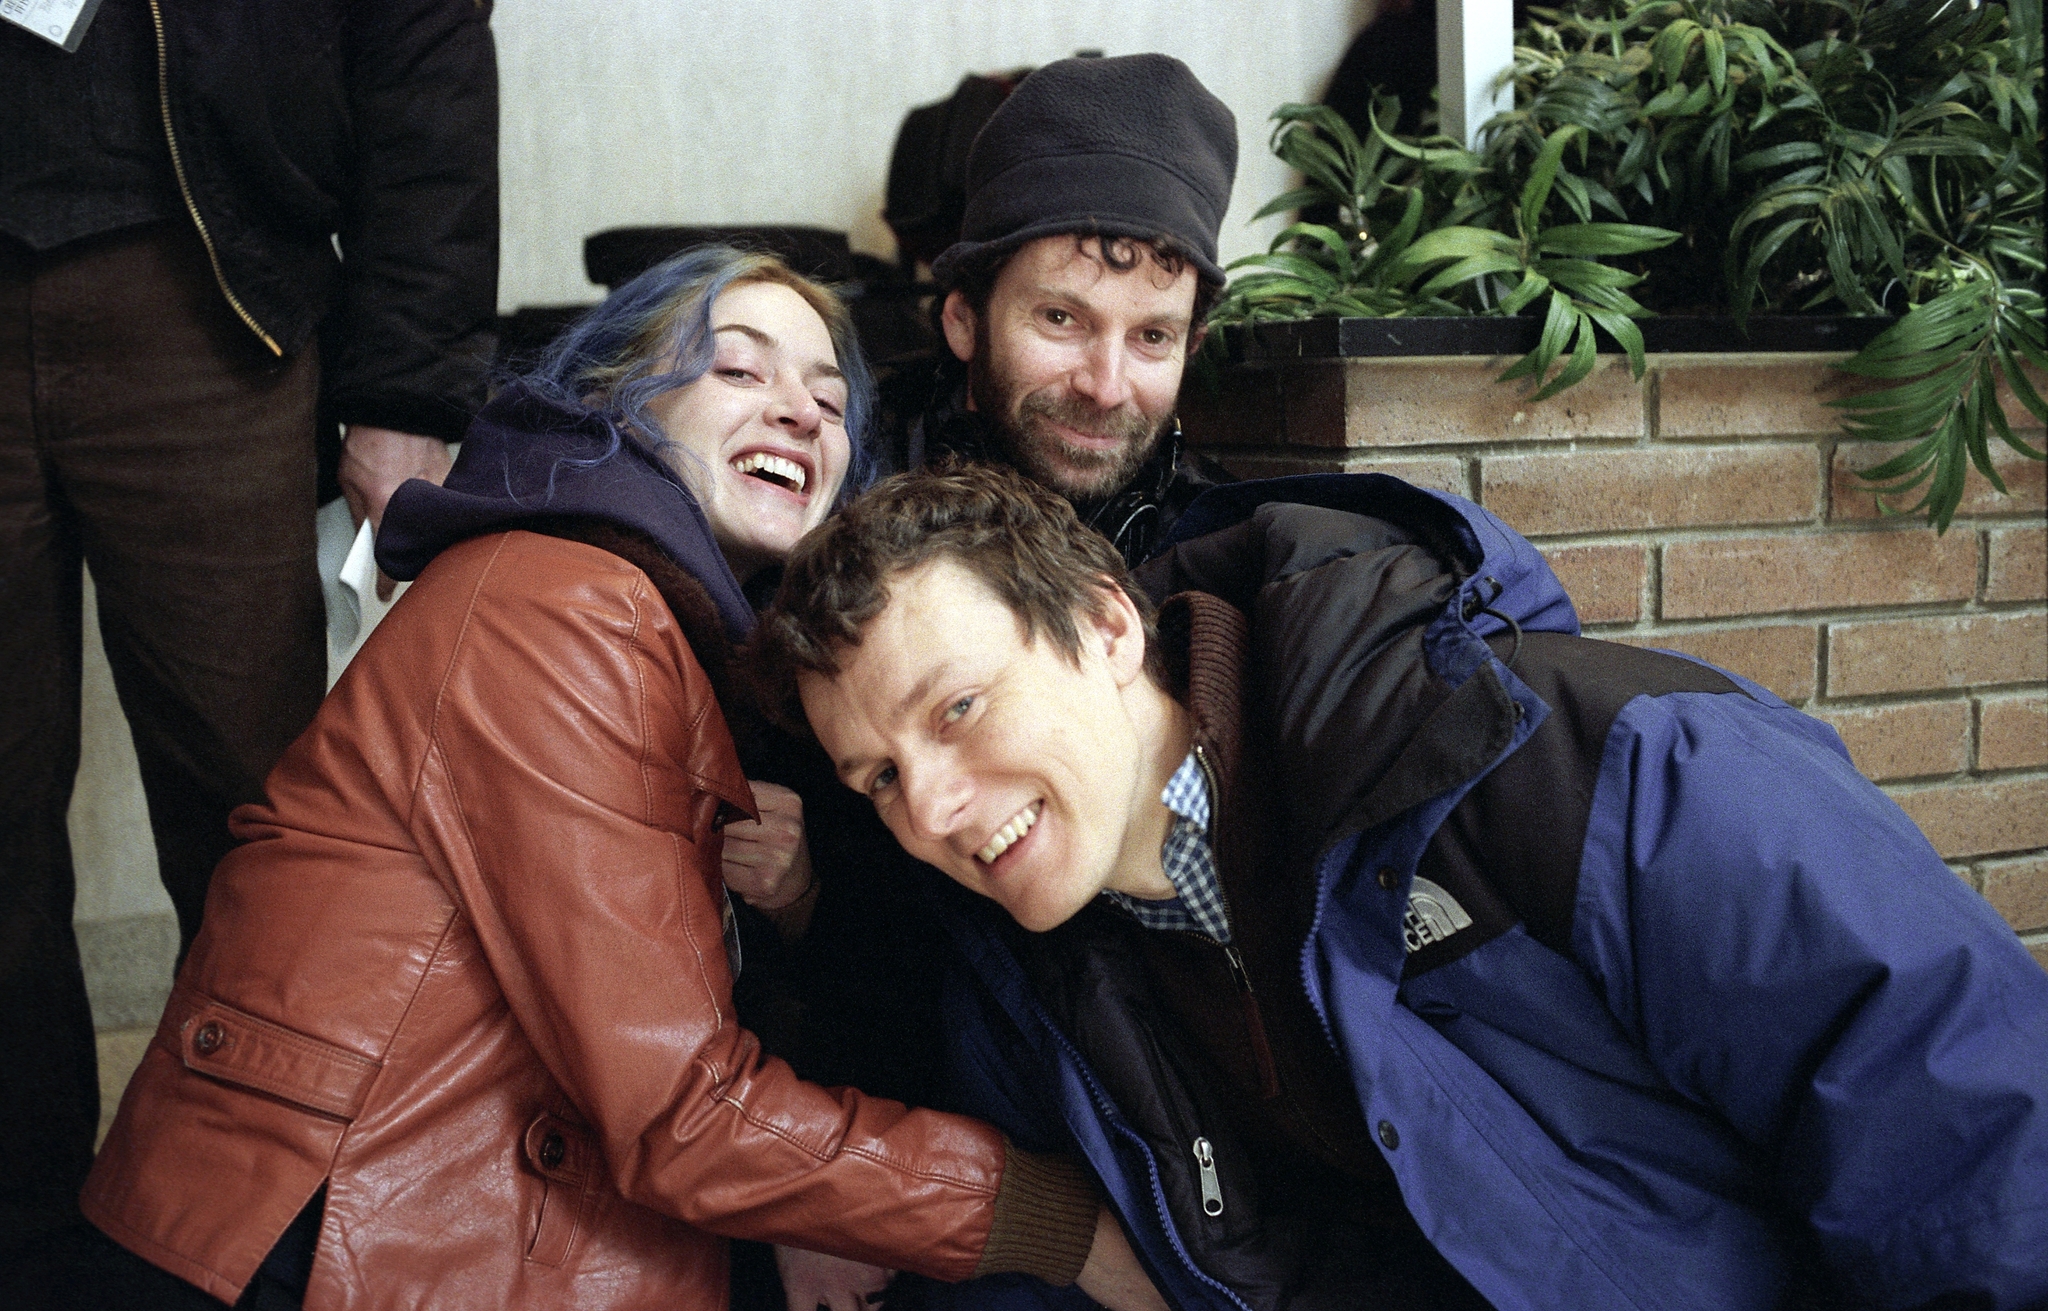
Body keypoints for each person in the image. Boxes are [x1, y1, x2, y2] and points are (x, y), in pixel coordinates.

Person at [77, 250, 1164, 1311]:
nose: (799, 412)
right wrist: (1055, 1221)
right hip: (307, 1236)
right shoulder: (560, 607)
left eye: (831, 401)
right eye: (738, 370)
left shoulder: (692, 636)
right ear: (619, 405)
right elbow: (682, 1116)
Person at [751, 463, 2048, 1311]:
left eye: (960, 707)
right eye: (877, 777)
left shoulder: (1596, 765)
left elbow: (1975, 1145)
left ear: (1104, 623)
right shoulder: (1043, 981)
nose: (931, 806)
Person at [0, 0, 498, 1270]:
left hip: (209, 297)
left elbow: (423, 49)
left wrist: (406, 384)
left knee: (257, 822)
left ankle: (262, 1241)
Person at [877, 52, 1236, 568]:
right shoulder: (839, 485)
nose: (1105, 389)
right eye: (1060, 319)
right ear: (964, 321)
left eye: (1152, 337)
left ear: (1191, 346)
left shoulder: (1226, 545)